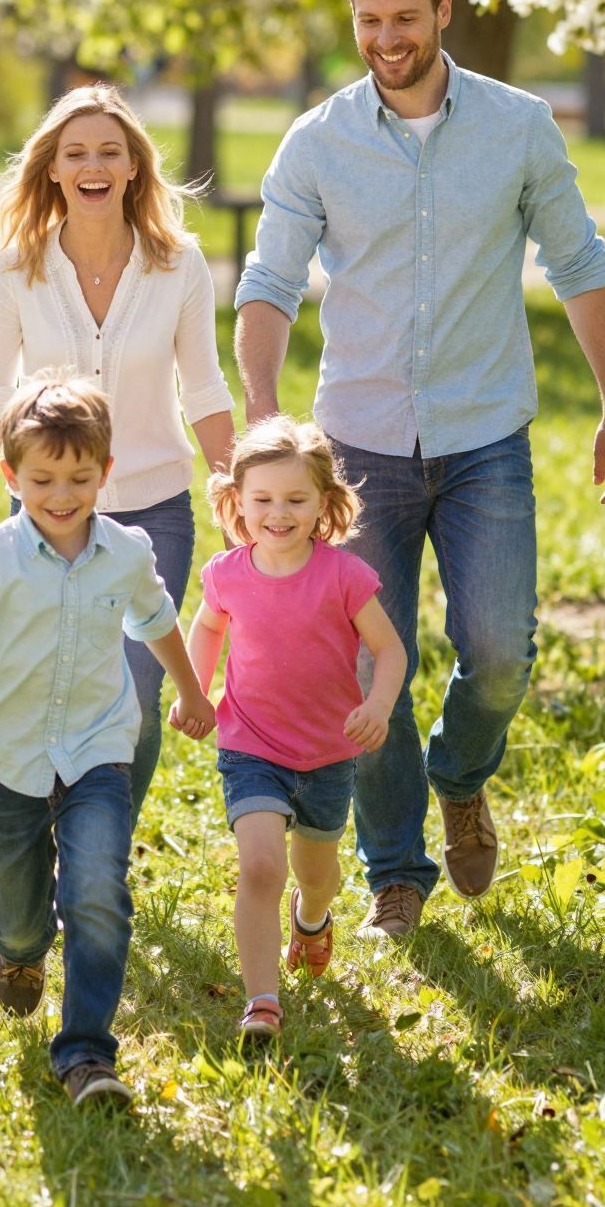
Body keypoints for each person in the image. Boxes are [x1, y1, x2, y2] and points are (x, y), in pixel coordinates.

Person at [235, 0, 605, 941]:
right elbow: (271, 281)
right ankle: (396, 867)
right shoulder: (317, 141)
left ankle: (462, 776)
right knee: (365, 669)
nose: (386, 37)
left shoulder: (518, 126)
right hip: (355, 446)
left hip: (484, 433)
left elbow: (579, 260)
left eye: (404, 17)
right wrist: (261, 411)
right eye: (369, 19)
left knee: (499, 648)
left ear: (444, 11)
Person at [0, 376, 215, 1105]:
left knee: (97, 892)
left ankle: (86, 1054)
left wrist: (194, 690)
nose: (62, 493)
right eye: (42, 478)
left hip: (99, 749)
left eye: (80, 477)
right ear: (12, 477)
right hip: (11, 759)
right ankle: (18, 949)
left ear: (106, 474)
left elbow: (156, 620)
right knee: (22, 918)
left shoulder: (127, 552)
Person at [0, 83, 235, 819]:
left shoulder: (180, 265)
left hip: (154, 511)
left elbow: (204, 389)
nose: (94, 165)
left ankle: (100, 846)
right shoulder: (17, 266)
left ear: (134, 167)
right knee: (52, 681)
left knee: (136, 691)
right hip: (45, 512)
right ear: (52, 168)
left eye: (110, 151)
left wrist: (238, 489)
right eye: (76, 152)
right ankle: (49, 837)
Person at [186, 418, 406, 1039]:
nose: (277, 513)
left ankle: (311, 917)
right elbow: (206, 630)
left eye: (295, 499)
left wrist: (380, 705)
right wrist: (196, 691)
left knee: (317, 872)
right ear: (237, 502)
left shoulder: (343, 576)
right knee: (260, 865)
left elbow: (390, 651)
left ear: (323, 505)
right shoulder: (227, 574)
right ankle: (262, 1000)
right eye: (262, 500)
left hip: (329, 752)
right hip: (250, 745)